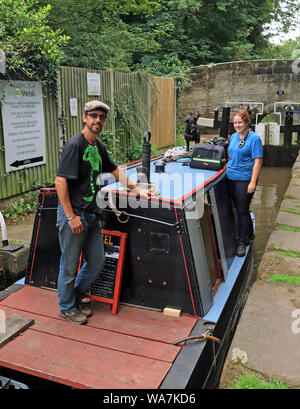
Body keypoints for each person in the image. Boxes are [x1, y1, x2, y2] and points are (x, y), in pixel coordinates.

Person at [55, 100, 148, 324]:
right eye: (94, 115)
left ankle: (76, 297)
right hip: (74, 216)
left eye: (102, 117)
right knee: (69, 266)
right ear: (85, 118)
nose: (98, 120)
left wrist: (137, 189)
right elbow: (60, 182)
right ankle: (67, 307)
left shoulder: (97, 146)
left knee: (96, 262)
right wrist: (70, 216)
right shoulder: (74, 146)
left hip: (91, 215)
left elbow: (115, 170)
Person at [226, 109, 263, 257]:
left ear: (247, 122)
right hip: (231, 178)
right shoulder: (234, 137)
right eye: (235, 122)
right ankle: (249, 232)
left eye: (240, 122)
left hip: (245, 179)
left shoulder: (254, 139)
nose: (237, 125)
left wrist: (252, 182)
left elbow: (258, 161)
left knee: (241, 210)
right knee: (239, 208)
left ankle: (242, 242)